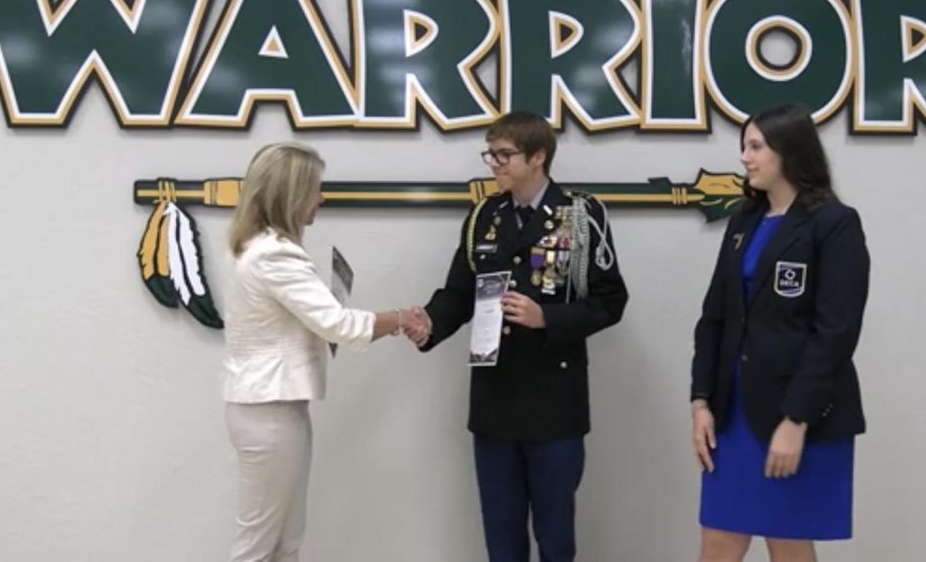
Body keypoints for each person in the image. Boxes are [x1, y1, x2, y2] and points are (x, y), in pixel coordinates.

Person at [407, 112, 629, 562]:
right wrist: (428, 323)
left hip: (554, 402)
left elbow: (611, 301)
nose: (494, 164)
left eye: (504, 155)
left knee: (555, 536)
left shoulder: (581, 215)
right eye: (491, 154)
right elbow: (459, 293)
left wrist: (546, 317)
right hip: (495, 399)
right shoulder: (484, 216)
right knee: (502, 535)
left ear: (538, 156)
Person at [221, 142, 428, 562]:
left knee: (283, 542)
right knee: (257, 548)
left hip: (269, 409)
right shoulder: (275, 255)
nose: (321, 197)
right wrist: (400, 317)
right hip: (271, 413)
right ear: (291, 194)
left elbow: (315, 324)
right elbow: (339, 325)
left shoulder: (252, 247)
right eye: (315, 188)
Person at [690, 103, 870, 562]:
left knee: (787, 541)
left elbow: (835, 331)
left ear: (789, 151)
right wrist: (701, 401)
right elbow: (714, 318)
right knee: (719, 540)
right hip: (732, 414)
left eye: (755, 147)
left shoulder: (834, 223)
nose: (745, 157)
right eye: (744, 147)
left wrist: (795, 421)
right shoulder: (743, 223)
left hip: (795, 413)